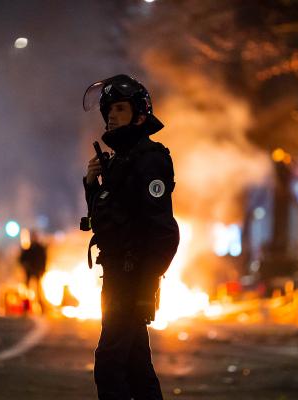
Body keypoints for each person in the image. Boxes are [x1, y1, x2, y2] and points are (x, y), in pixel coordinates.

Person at [82, 74, 180, 400]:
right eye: (108, 109)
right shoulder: (121, 161)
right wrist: (91, 187)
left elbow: (164, 232)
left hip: (131, 278)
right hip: (117, 276)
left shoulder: (148, 158)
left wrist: (146, 284)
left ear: (140, 114)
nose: (111, 114)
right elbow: (107, 221)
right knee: (138, 368)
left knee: (109, 365)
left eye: (120, 108)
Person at [19, 230, 47, 313]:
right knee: (27, 291)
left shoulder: (40, 249)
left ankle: (41, 308)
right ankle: (26, 308)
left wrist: (42, 270)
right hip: (29, 272)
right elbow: (22, 260)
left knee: (38, 291)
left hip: (37, 272)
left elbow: (43, 260)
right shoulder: (28, 249)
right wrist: (26, 266)